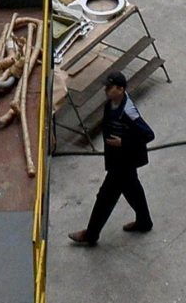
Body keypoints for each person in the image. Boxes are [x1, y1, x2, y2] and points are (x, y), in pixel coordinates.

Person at [68, 70, 153, 246]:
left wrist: (124, 143)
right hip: (117, 160)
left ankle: (91, 234)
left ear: (121, 89)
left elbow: (148, 134)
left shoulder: (128, 111)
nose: (106, 90)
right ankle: (144, 221)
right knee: (132, 190)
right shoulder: (110, 105)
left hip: (123, 162)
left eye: (110, 87)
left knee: (105, 197)